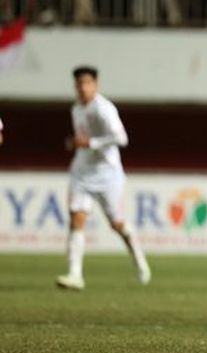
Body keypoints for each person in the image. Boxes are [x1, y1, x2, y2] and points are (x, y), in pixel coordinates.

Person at [57, 66, 151, 291]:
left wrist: (91, 143)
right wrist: (76, 143)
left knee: (117, 224)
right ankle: (75, 275)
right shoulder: (76, 109)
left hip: (107, 174)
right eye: (79, 84)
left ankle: (139, 259)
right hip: (82, 172)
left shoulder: (104, 108)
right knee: (76, 219)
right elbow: (82, 139)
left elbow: (121, 138)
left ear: (95, 85)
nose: (82, 88)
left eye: (86, 83)